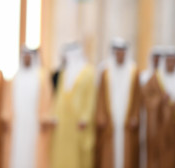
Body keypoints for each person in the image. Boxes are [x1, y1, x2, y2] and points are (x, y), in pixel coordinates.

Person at [1, 48, 52, 168]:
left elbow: (48, 100)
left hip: (34, 123)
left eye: (29, 57)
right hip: (17, 124)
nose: (27, 59)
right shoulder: (15, 78)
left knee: (33, 152)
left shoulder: (41, 79)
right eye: (25, 57)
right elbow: (7, 101)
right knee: (17, 150)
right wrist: (6, 116)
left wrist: (45, 117)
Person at [142, 47, 175, 168]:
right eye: (168, 61)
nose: (170, 64)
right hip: (161, 127)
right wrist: (160, 100)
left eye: (173, 61)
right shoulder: (155, 79)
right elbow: (145, 97)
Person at [95, 37, 140, 168]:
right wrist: (101, 116)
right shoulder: (105, 72)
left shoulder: (133, 71)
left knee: (126, 153)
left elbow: (137, 98)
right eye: (118, 52)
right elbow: (101, 97)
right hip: (110, 119)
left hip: (126, 120)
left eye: (122, 52)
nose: (120, 55)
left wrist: (135, 116)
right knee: (109, 154)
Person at [50, 43, 96, 168]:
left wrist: (85, 117)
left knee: (80, 154)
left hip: (79, 122)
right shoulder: (64, 73)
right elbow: (59, 95)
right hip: (64, 121)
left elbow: (90, 97)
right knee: (63, 152)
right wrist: (55, 115)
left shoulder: (88, 72)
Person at [138, 46, 163, 168]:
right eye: (155, 58)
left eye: (159, 58)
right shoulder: (144, 77)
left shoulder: (166, 78)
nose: (157, 61)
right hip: (145, 119)